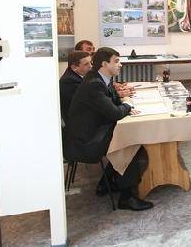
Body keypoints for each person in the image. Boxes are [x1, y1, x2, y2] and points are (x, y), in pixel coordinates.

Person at [65, 47, 153, 211]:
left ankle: (106, 183)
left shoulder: (101, 78)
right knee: (129, 142)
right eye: (116, 61)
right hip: (86, 141)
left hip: (93, 130)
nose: (120, 65)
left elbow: (114, 103)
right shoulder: (94, 84)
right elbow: (115, 113)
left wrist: (123, 105)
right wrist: (128, 105)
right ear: (105, 64)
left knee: (127, 136)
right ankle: (127, 197)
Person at [59, 51, 92, 123]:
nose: (91, 66)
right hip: (76, 124)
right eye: (86, 64)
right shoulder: (70, 81)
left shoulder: (78, 76)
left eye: (90, 62)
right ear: (74, 67)